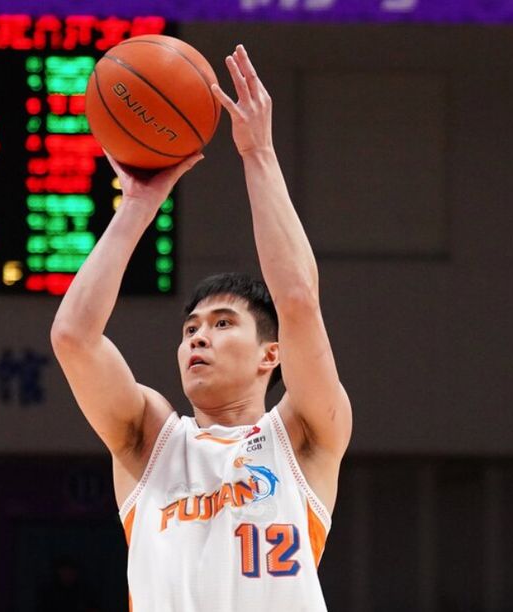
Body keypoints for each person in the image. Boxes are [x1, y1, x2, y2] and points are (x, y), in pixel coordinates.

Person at [51, 44, 352, 611]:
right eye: (190, 328)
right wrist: (137, 206)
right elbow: (73, 338)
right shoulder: (150, 440)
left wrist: (258, 153)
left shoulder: (304, 435)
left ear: (270, 354)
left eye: (222, 323)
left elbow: (297, 301)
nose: (198, 337)